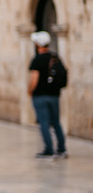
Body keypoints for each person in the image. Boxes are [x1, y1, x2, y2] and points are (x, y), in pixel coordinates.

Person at [28, 31, 68, 159]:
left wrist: (30, 90)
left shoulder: (37, 59)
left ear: (38, 44)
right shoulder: (54, 57)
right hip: (54, 95)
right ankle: (62, 149)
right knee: (56, 122)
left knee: (44, 123)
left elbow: (34, 79)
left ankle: (49, 150)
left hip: (40, 96)